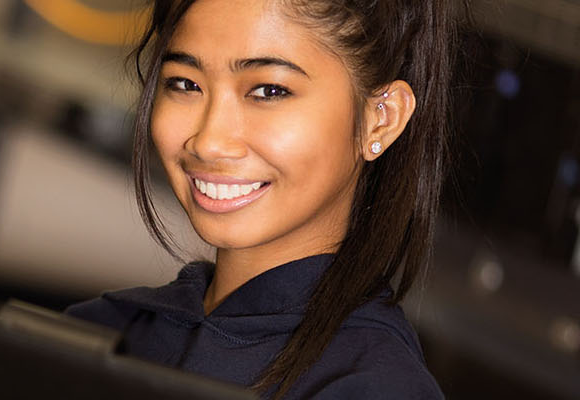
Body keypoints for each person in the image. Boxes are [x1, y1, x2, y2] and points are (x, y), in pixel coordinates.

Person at [64, 0, 457, 398]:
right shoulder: (98, 335)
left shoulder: (373, 388)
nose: (209, 142)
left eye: (268, 91)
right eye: (185, 83)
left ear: (381, 117)